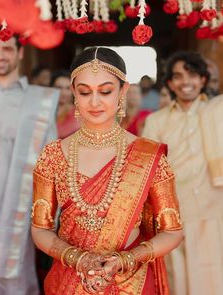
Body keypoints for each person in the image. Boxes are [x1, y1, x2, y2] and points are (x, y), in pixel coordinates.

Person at [31, 47, 183, 295]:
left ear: (123, 91)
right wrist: (76, 258)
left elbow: (172, 232)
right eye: (84, 92)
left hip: (131, 283)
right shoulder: (52, 155)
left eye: (105, 91)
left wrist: (126, 260)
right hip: (68, 283)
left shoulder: (148, 156)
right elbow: (40, 229)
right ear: (73, 93)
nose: (94, 102)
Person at [143, 51, 223, 295]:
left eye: (192, 75)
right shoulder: (157, 121)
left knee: (214, 276)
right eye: (178, 76)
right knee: (178, 278)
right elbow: (147, 169)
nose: (185, 82)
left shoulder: (216, 113)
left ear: (202, 80)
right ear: (169, 83)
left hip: (214, 208)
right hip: (174, 213)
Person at [0, 27, 59, 294]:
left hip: (12, 210)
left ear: (20, 52)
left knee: (11, 285)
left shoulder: (37, 102)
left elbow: (49, 162)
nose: (0, 56)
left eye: (7, 49)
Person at [51, 70, 80, 139]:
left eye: (68, 88)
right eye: (59, 88)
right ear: (51, 88)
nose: (63, 93)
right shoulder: (44, 110)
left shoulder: (79, 113)